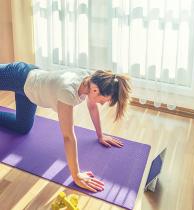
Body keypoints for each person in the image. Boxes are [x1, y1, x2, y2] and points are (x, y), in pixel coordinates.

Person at [0, 62, 131, 192]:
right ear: (96, 90)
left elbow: (92, 106)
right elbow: (68, 137)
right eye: (104, 100)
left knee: (22, 127)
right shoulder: (68, 92)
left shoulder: (90, 82)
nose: (102, 104)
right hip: (17, 76)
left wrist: (100, 135)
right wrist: (76, 175)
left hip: (28, 91)